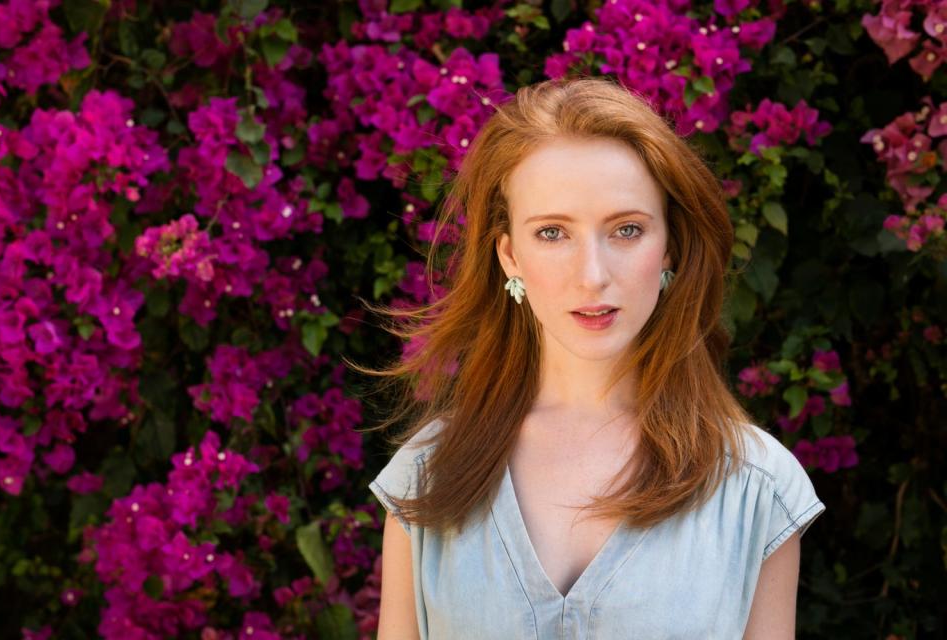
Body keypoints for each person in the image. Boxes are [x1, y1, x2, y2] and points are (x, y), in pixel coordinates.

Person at [351, 75, 826, 639]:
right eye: (553, 233)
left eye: (626, 230)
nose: (593, 275)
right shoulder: (428, 475)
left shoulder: (757, 487)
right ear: (510, 256)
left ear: (669, 244)